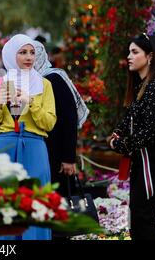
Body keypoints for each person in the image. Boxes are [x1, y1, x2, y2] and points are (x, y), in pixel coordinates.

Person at [0, 34, 57, 240]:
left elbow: (49, 123)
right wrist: (0, 104)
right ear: (10, 55)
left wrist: (31, 102)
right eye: (23, 52)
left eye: (32, 52)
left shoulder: (44, 85)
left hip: (34, 145)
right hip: (4, 145)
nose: (28, 57)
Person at [109, 33, 155, 240]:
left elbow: (152, 131)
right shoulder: (143, 87)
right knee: (139, 221)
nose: (129, 56)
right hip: (145, 160)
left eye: (134, 52)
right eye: (129, 51)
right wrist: (117, 134)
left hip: (154, 162)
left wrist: (121, 144)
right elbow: (130, 117)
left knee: (143, 220)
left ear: (149, 56)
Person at [34, 40, 89, 195]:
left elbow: (69, 118)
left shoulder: (54, 78)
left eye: (33, 53)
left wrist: (68, 157)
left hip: (56, 151)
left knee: (59, 196)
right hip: (41, 148)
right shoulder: (30, 81)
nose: (29, 58)